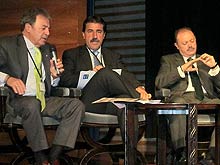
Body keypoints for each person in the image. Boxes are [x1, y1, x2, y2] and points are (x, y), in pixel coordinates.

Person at [0, 8, 85, 165]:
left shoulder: (47, 49)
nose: (48, 32)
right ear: (28, 27)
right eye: (43, 28)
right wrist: (8, 79)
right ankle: (40, 157)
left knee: (76, 105)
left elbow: (49, 85)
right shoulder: (7, 45)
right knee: (32, 104)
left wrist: (54, 76)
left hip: (44, 100)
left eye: (49, 28)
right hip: (19, 100)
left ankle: (54, 155)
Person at [59, 15, 151, 153]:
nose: (94, 36)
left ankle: (130, 155)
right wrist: (91, 74)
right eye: (90, 31)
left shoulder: (113, 56)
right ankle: (140, 101)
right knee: (105, 73)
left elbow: (126, 74)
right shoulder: (72, 54)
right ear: (83, 35)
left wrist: (138, 86)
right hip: (87, 102)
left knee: (126, 106)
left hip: (109, 103)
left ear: (104, 35)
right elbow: (65, 80)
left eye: (99, 32)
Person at [155, 27, 220, 164]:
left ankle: (211, 157)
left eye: (192, 41)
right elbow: (159, 82)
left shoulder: (205, 60)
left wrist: (214, 67)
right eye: (185, 43)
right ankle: (181, 154)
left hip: (206, 99)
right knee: (178, 104)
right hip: (182, 97)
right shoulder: (168, 60)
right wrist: (182, 69)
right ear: (177, 46)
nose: (190, 45)